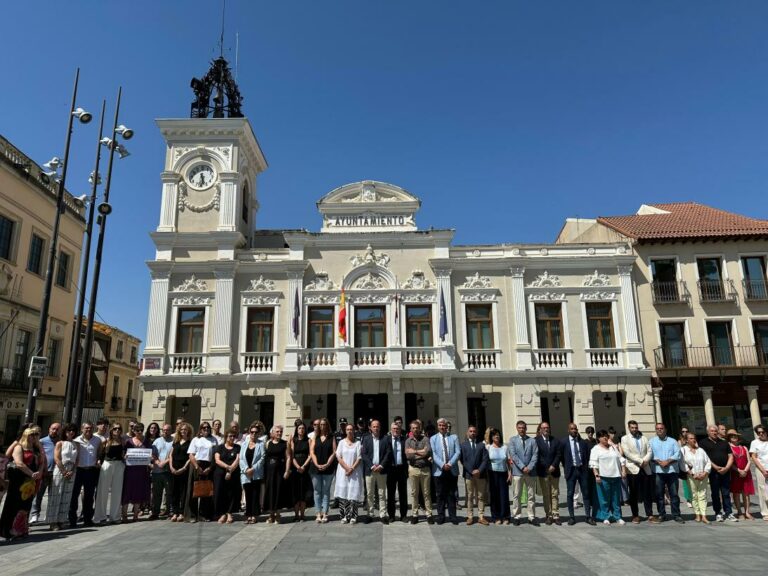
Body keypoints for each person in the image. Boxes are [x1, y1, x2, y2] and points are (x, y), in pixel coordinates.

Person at [0, 426, 44, 540]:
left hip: (31, 481)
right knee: (14, 504)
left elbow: (42, 461)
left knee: (26, 505)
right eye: (31, 434)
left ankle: (21, 529)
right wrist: (31, 473)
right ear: (25, 435)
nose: (33, 437)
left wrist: (39, 472)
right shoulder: (19, 447)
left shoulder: (36, 448)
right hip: (19, 480)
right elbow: (19, 463)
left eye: (35, 435)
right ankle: (8, 530)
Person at [699, 424, 736, 522]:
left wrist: (726, 468)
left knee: (726, 493)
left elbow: (730, 456)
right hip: (713, 472)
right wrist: (715, 467)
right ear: (708, 432)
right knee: (715, 493)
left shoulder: (724, 442)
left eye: (715, 431)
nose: (714, 433)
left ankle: (729, 512)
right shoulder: (703, 443)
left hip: (725, 471)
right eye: (712, 431)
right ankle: (718, 512)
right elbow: (705, 457)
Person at [620, 420, 655, 523]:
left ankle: (650, 514)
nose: (634, 429)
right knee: (634, 493)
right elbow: (627, 453)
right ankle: (635, 515)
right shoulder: (624, 439)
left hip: (645, 468)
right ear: (629, 428)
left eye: (636, 427)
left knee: (647, 493)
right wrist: (640, 461)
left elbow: (650, 451)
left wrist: (645, 461)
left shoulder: (644, 438)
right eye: (632, 427)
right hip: (633, 469)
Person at [45, 423, 79, 531]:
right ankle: (53, 522)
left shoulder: (77, 444)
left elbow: (77, 460)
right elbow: (57, 458)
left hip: (71, 470)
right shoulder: (60, 443)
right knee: (56, 495)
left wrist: (72, 471)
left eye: (73, 431)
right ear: (65, 432)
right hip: (60, 469)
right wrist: (64, 471)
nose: (71, 432)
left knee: (66, 496)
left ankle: (61, 520)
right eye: (69, 430)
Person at [589, 429, 626, 525]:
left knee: (616, 498)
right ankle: (605, 516)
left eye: (606, 435)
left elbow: (621, 458)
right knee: (604, 499)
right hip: (603, 477)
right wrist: (596, 475)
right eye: (602, 436)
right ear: (598, 438)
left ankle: (618, 517)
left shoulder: (613, 447)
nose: (605, 437)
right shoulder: (595, 449)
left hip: (616, 476)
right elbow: (593, 463)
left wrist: (623, 470)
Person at [649, 422, 684, 523]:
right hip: (658, 471)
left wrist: (667, 461)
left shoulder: (673, 441)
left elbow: (678, 454)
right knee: (659, 495)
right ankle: (661, 515)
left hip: (672, 471)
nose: (659, 430)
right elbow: (650, 454)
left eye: (661, 428)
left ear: (665, 430)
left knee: (674, 494)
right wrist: (659, 462)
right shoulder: (651, 441)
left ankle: (676, 515)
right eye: (657, 428)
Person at [69, 422, 101, 528]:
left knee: (89, 496)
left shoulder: (97, 440)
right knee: (74, 495)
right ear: (82, 429)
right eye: (86, 428)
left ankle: (88, 519)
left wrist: (98, 460)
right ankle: (72, 520)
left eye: (90, 428)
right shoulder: (76, 440)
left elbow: (99, 453)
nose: (88, 430)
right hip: (78, 470)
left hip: (91, 471)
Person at [561, 422, 594, 525]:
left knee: (586, 493)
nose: (574, 430)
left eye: (575, 429)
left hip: (582, 470)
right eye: (572, 429)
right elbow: (561, 456)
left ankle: (588, 516)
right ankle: (572, 517)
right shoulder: (564, 442)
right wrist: (566, 466)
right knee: (570, 494)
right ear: (568, 430)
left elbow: (587, 456)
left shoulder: (583, 442)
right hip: (571, 471)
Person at [93, 423, 126, 524]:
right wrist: (99, 462)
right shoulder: (106, 441)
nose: (117, 430)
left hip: (119, 465)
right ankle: (100, 517)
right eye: (115, 428)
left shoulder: (123, 441)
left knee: (117, 491)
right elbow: (100, 454)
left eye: (119, 428)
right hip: (107, 464)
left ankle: (115, 517)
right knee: (102, 491)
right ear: (111, 430)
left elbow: (124, 454)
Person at [361, 419, 392, 524]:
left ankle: (383, 514)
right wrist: (371, 466)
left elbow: (388, 453)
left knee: (382, 493)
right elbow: (364, 454)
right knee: (369, 494)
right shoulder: (366, 439)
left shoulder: (385, 439)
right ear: (370, 428)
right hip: (370, 471)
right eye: (374, 426)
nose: (376, 428)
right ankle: (370, 514)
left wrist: (381, 465)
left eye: (377, 426)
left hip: (381, 470)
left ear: (380, 427)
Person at [430, 417, 460, 525]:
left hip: (452, 469)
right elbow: (433, 453)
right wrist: (442, 465)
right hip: (439, 470)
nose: (442, 427)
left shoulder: (454, 437)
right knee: (440, 494)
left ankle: (453, 516)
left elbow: (458, 452)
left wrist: (450, 464)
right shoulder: (433, 438)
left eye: (444, 425)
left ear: (447, 426)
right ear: (438, 426)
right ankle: (441, 516)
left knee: (452, 494)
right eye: (440, 425)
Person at [508, 420, 539, 526]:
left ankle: (531, 516)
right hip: (518, 472)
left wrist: (529, 467)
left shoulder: (532, 441)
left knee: (531, 495)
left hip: (530, 472)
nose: (521, 429)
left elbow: (535, 455)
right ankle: (516, 516)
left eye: (523, 428)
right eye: (520, 428)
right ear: (517, 428)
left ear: (526, 428)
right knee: (517, 495)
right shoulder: (512, 440)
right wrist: (522, 467)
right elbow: (513, 455)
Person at [30, 422, 60, 524]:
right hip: (43, 472)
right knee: (38, 494)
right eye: (53, 429)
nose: (55, 431)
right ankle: (35, 514)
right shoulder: (42, 441)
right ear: (49, 429)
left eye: (57, 429)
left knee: (53, 495)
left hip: (56, 472)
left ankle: (49, 514)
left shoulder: (61, 441)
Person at [188, 421, 218, 522]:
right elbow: (191, 454)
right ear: (200, 429)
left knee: (206, 491)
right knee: (194, 490)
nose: (206, 429)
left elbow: (215, 455)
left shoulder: (214, 439)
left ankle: (203, 514)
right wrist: (197, 467)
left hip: (208, 465)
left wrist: (210, 467)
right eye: (204, 428)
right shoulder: (195, 439)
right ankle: (193, 515)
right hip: (197, 465)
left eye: (208, 427)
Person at [405, 419, 433, 524]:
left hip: (425, 469)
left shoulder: (425, 439)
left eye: (417, 428)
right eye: (413, 428)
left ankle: (429, 514)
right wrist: (422, 453)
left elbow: (427, 452)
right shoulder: (408, 441)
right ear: (411, 429)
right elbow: (408, 456)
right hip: (413, 469)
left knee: (427, 493)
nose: (415, 430)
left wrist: (415, 451)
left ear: (420, 428)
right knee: (414, 493)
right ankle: (414, 514)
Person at [460, 425, 489, 525]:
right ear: (467, 433)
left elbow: (485, 459)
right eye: (471, 431)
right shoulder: (463, 445)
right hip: (469, 475)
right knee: (470, 496)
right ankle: (470, 516)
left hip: (480, 475)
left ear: (476, 433)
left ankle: (481, 516)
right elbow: (463, 460)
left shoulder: (481, 445)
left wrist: (479, 470)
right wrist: (471, 471)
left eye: (474, 431)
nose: (472, 433)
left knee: (481, 496)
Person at [335, 423, 363, 523]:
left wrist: (352, 468)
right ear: (345, 431)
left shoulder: (358, 443)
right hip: (343, 472)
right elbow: (338, 457)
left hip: (355, 472)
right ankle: (344, 516)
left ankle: (353, 516)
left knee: (353, 494)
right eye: (348, 429)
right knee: (344, 493)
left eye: (351, 429)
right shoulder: (341, 442)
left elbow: (359, 458)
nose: (349, 431)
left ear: (354, 430)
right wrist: (347, 468)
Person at [122, 422, 151, 521]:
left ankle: (135, 515)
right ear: (133, 431)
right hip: (129, 471)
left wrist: (150, 458)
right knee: (127, 492)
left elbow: (150, 455)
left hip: (141, 471)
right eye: (137, 430)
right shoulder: (128, 441)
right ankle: (124, 515)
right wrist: (125, 456)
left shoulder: (147, 441)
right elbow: (123, 454)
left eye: (141, 430)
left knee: (138, 492)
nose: (139, 432)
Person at [680, 432, 711, 523]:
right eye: (690, 438)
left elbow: (708, 462)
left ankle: (704, 515)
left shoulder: (701, 450)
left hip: (702, 476)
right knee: (694, 495)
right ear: (686, 440)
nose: (693, 440)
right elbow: (682, 464)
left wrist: (705, 473)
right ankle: (697, 514)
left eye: (694, 438)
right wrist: (692, 474)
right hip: (691, 476)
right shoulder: (683, 450)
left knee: (702, 495)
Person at [310, 417, 336, 523]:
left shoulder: (331, 437)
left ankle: (325, 513)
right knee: (317, 491)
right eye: (320, 424)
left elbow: (334, 452)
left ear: (327, 426)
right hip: (315, 469)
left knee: (326, 491)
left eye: (324, 424)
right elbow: (312, 452)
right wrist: (316, 464)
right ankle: (318, 513)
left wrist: (327, 464)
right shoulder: (315, 437)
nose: (322, 426)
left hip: (328, 468)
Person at [535, 421, 561, 525]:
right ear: (540, 429)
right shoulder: (536, 441)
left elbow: (558, 454)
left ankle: (556, 514)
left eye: (547, 427)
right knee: (546, 494)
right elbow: (537, 456)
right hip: (543, 471)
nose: (546, 429)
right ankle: (549, 515)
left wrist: (553, 465)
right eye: (544, 428)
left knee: (555, 494)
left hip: (554, 471)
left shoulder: (555, 440)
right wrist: (546, 467)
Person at [263, 425, 290, 524]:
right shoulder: (267, 443)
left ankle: (278, 514)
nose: (279, 433)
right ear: (273, 433)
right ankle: (271, 514)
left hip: (279, 472)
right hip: (269, 472)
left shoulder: (285, 443)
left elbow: (288, 458)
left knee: (278, 491)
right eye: (277, 431)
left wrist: (287, 470)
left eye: (281, 431)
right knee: (270, 492)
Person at [213, 428, 241, 524]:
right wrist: (227, 467)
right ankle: (222, 514)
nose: (232, 438)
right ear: (226, 437)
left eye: (233, 436)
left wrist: (230, 470)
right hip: (220, 474)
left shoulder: (237, 447)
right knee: (220, 493)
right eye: (230, 436)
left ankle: (229, 513)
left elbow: (237, 460)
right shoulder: (220, 447)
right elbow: (217, 460)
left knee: (231, 493)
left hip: (233, 473)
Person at [240, 422, 265, 524]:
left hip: (256, 473)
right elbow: (241, 458)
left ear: (258, 433)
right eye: (252, 432)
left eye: (256, 432)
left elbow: (263, 458)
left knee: (255, 494)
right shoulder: (244, 444)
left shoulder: (261, 444)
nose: (254, 434)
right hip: (246, 474)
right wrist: (246, 469)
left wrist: (253, 469)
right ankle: (248, 514)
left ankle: (254, 515)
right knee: (248, 494)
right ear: (249, 433)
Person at [727, 429, 754, 520]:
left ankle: (747, 512)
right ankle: (739, 512)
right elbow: (730, 462)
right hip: (735, 473)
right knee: (736, 493)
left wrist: (745, 471)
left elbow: (749, 460)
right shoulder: (729, 448)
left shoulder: (744, 448)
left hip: (746, 473)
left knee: (746, 493)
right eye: (732, 436)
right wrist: (739, 471)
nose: (734, 437)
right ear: (729, 438)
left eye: (735, 436)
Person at [168, 422, 192, 522]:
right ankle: (175, 512)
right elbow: (170, 455)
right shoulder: (176, 441)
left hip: (184, 469)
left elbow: (191, 457)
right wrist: (171, 467)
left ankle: (181, 512)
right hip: (173, 469)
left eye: (185, 429)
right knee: (174, 491)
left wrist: (184, 468)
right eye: (181, 429)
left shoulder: (191, 442)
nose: (183, 431)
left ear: (188, 431)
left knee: (183, 491)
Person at [486, 428, 511, 524]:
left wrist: (510, 474)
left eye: (498, 434)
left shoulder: (505, 447)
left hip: (503, 473)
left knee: (504, 496)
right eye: (494, 435)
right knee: (494, 495)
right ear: (491, 437)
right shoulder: (488, 447)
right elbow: (486, 461)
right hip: (493, 474)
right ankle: (496, 517)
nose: (497, 436)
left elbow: (508, 461)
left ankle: (505, 516)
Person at [290, 421, 313, 522]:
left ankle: (302, 515)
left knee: (304, 492)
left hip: (305, 469)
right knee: (296, 492)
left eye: (303, 428)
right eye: (299, 428)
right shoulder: (293, 440)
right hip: (295, 469)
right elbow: (291, 456)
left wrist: (303, 466)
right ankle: (296, 515)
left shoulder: (308, 440)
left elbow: (310, 455)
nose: (301, 430)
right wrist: (297, 467)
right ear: (297, 429)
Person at [150, 423, 174, 519]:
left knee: (169, 493)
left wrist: (164, 462)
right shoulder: (157, 441)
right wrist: (158, 462)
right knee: (156, 493)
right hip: (157, 471)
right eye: (164, 430)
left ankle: (169, 512)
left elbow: (173, 455)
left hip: (168, 471)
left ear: (171, 431)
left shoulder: (174, 441)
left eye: (167, 430)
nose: (165, 432)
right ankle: (155, 512)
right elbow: (153, 454)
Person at [387, 421, 408, 522]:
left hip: (402, 469)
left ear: (400, 430)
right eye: (394, 428)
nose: (396, 430)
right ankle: (391, 515)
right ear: (391, 430)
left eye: (397, 429)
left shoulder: (405, 440)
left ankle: (403, 515)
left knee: (403, 493)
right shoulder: (386, 439)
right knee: (391, 493)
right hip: (390, 469)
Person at [749, 425, 768, 521]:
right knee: (762, 490)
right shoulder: (754, 442)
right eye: (758, 432)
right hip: (761, 469)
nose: (761, 434)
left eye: (762, 432)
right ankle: (765, 513)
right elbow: (754, 457)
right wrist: (763, 470)